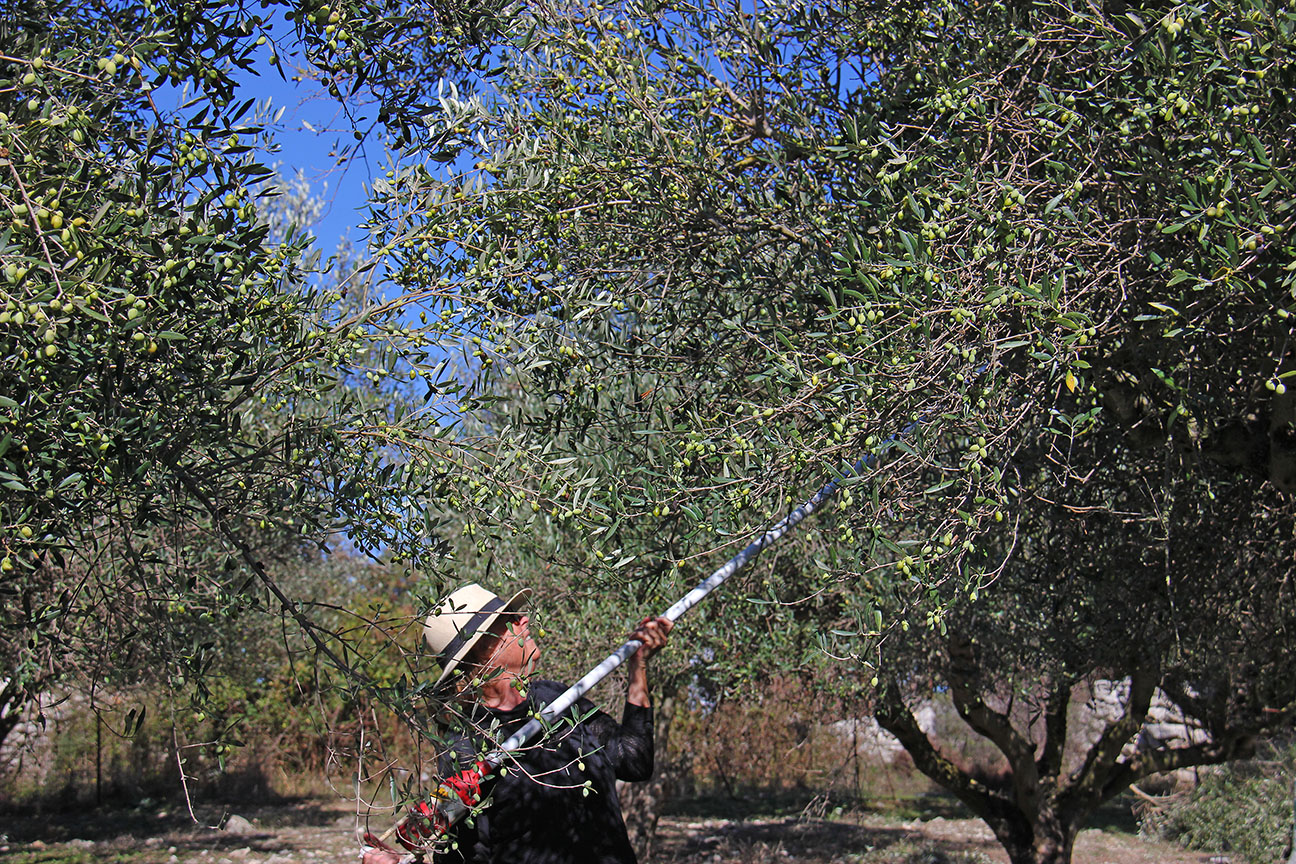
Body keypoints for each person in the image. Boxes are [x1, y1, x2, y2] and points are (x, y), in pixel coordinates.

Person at [363, 583, 672, 864]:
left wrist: (639, 667)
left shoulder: (557, 699)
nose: (524, 620)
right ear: (483, 651)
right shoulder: (467, 749)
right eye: (509, 620)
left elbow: (634, 761)